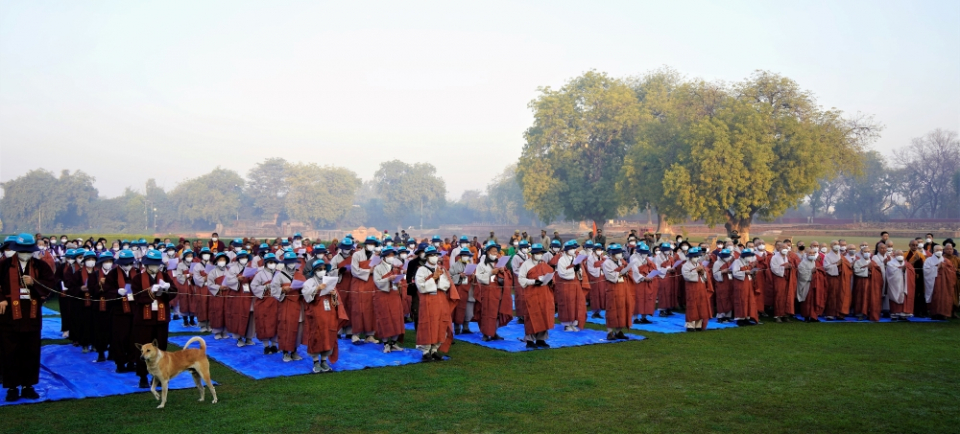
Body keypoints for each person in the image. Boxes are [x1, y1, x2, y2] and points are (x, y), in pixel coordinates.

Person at [0, 234, 54, 402]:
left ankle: (28, 385)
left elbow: (49, 284)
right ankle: (12, 387)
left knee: (30, 351)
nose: (25, 253)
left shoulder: (40, 265)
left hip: (31, 314)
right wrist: (1, 298)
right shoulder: (4, 264)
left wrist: (34, 282)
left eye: (28, 250)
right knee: (10, 351)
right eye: (22, 250)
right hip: (10, 314)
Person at [132, 249, 177, 388]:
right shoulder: (138, 279)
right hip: (144, 319)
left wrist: (166, 289)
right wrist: (151, 292)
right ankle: (142, 376)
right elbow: (137, 297)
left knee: (161, 347)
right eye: (151, 264)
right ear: (146, 265)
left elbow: (174, 291)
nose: (154, 267)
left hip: (161, 318)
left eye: (156, 264)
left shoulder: (164, 276)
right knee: (144, 348)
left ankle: (158, 376)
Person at [302, 258, 348, 373]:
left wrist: (333, 294)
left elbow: (336, 301)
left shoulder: (329, 281)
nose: (322, 271)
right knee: (316, 336)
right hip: (316, 314)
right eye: (319, 269)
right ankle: (315, 362)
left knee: (328, 335)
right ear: (314, 271)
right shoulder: (309, 282)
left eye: (323, 269)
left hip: (329, 314)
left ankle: (324, 360)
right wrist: (317, 288)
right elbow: (306, 295)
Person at [415, 246, 459, 361]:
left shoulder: (442, 269)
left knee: (440, 323)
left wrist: (438, 279)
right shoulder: (421, 270)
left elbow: (446, 284)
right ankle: (426, 351)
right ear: (427, 256)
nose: (434, 257)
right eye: (432, 255)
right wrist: (433, 278)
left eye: (436, 255)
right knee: (428, 324)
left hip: (440, 299)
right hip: (428, 300)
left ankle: (434, 349)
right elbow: (421, 286)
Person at [102, 249, 138, 374]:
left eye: (130, 263)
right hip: (119, 310)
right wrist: (117, 292)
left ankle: (132, 361)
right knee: (120, 337)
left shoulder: (136, 273)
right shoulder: (113, 274)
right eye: (125, 263)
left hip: (134, 309)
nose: (128, 266)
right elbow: (107, 291)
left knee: (133, 336)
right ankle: (120, 363)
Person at [517, 244, 555, 348]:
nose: (539, 255)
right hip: (532, 294)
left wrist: (550, 281)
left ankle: (541, 339)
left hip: (544, 294)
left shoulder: (543, 264)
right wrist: (534, 281)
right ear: (533, 254)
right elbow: (521, 279)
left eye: (541, 253)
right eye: (537, 253)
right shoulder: (526, 264)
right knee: (532, 316)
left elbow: (551, 275)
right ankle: (529, 341)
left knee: (544, 315)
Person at [271, 251, 306, 362]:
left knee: (297, 329)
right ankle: (285, 352)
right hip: (286, 304)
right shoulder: (279, 275)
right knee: (286, 328)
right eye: (289, 262)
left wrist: (303, 289)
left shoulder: (299, 275)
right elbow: (273, 290)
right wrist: (282, 289)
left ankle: (294, 351)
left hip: (298, 305)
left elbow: (306, 288)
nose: (292, 264)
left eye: (293, 262)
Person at [475, 242, 510, 341]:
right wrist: (490, 273)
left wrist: (503, 272)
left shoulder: (499, 263)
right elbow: (479, 278)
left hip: (498, 292)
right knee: (486, 313)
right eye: (493, 251)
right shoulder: (481, 264)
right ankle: (486, 334)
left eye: (496, 251)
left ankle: (494, 332)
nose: (496, 253)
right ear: (488, 251)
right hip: (487, 292)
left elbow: (507, 275)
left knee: (497, 313)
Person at [372, 247, 405, 352]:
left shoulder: (394, 267)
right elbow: (377, 282)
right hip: (383, 296)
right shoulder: (378, 268)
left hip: (394, 295)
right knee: (385, 319)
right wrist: (388, 279)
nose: (391, 257)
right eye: (389, 255)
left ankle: (393, 343)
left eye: (392, 255)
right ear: (384, 256)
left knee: (396, 319)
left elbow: (399, 278)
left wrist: (398, 282)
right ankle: (386, 343)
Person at [348, 236, 381, 344]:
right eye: (370, 244)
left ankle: (369, 335)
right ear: (365, 245)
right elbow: (354, 270)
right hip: (358, 285)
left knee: (371, 309)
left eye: (373, 245)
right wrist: (368, 271)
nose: (372, 246)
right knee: (357, 310)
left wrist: (375, 271)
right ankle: (355, 335)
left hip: (371, 285)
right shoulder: (356, 255)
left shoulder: (375, 257)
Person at [556, 240, 589, 331]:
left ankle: (574, 322)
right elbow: (562, 273)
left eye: (574, 248)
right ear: (566, 250)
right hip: (566, 285)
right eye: (571, 248)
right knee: (567, 303)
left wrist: (579, 270)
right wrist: (573, 270)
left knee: (576, 302)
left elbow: (580, 272)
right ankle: (567, 324)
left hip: (575, 284)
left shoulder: (575, 259)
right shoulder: (561, 260)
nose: (573, 250)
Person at [601, 244, 633, 341]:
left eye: (620, 252)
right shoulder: (607, 263)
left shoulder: (620, 261)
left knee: (622, 308)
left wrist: (625, 271)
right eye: (617, 253)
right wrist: (620, 273)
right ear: (611, 254)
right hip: (613, 288)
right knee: (612, 310)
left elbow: (625, 271)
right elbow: (610, 275)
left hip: (622, 287)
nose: (619, 255)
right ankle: (610, 332)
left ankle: (619, 331)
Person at [251, 253, 280, 354]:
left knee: (275, 323)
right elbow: (253, 286)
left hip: (276, 302)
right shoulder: (259, 274)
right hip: (264, 302)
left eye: (274, 262)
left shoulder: (279, 273)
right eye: (270, 262)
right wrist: (264, 287)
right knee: (264, 323)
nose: (272, 264)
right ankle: (266, 345)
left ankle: (274, 344)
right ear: (266, 263)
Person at [226, 250, 256, 347]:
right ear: (238, 259)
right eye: (242, 257)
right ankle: (238, 338)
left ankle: (249, 337)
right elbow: (228, 281)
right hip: (237, 295)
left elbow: (256, 281)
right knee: (237, 316)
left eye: (245, 257)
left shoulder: (250, 268)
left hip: (248, 294)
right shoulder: (233, 269)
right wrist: (237, 279)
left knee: (250, 316)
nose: (244, 259)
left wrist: (252, 278)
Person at [680, 247, 713, 331]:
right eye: (694, 257)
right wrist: (696, 272)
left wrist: (703, 273)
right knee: (692, 306)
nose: (696, 258)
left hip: (701, 287)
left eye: (697, 256)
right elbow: (687, 276)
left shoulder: (699, 264)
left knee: (701, 306)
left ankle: (698, 324)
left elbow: (705, 278)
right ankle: (690, 325)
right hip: (691, 288)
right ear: (690, 257)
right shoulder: (685, 266)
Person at [329, 238, 356, 338]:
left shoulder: (354, 257)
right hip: (340, 284)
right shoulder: (335, 258)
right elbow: (330, 272)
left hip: (351, 284)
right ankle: (338, 330)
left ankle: (350, 330)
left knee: (350, 307)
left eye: (348, 248)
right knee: (339, 307)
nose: (347, 250)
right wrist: (339, 270)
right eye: (345, 248)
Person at [923, 245, 956, 320]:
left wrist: (944, 267)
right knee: (935, 296)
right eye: (937, 250)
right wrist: (936, 268)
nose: (939, 251)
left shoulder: (946, 261)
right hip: (934, 282)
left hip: (945, 282)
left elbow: (952, 271)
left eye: (940, 250)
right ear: (933, 251)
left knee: (944, 297)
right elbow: (926, 271)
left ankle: (943, 314)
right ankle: (934, 313)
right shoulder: (929, 260)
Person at [448, 248, 476, 335]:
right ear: (460, 256)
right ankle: (457, 328)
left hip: (469, 290)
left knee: (469, 309)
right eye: (464, 255)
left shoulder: (471, 265)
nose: (466, 257)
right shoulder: (455, 265)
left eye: (467, 255)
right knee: (458, 310)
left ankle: (466, 327)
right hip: (459, 290)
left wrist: (474, 276)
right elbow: (450, 277)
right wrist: (459, 276)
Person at [797, 244, 827, 322]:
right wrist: (811, 272)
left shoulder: (816, 263)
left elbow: (821, 271)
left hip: (816, 285)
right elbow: (801, 274)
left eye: (813, 253)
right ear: (806, 254)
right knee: (807, 301)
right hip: (807, 284)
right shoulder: (802, 263)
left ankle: (814, 317)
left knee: (815, 300)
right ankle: (806, 316)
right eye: (810, 253)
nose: (812, 255)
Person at [853, 245, 883, 321]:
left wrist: (872, 271)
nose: (867, 253)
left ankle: (870, 312)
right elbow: (856, 271)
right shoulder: (858, 262)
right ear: (862, 253)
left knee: (871, 297)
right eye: (865, 252)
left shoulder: (873, 262)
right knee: (861, 297)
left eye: (868, 252)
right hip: (861, 282)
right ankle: (860, 313)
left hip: (871, 282)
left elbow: (878, 272)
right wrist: (867, 269)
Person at [629, 242, 657, 325]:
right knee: (637, 299)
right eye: (643, 253)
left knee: (646, 299)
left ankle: (644, 317)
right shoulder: (634, 259)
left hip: (647, 281)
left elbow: (652, 267)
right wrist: (643, 278)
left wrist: (651, 275)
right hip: (639, 282)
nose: (645, 255)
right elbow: (634, 271)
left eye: (646, 253)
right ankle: (635, 317)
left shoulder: (647, 259)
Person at [205, 253, 230, 339]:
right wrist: (219, 287)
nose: (222, 261)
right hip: (217, 295)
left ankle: (225, 331)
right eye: (220, 260)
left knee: (226, 312)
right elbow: (209, 284)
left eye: (223, 260)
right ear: (216, 261)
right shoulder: (212, 272)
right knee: (217, 312)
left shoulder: (229, 271)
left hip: (227, 295)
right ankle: (217, 332)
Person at [730, 248, 759, 326]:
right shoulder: (737, 262)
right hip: (740, 284)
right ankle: (740, 318)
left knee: (747, 300)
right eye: (748, 256)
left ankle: (747, 317)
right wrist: (745, 272)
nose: (749, 257)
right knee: (740, 300)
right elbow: (735, 273)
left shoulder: (746, 262)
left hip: (747, 284)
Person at [769, 242, 796, 322]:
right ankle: (777, 315)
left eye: (786, 248)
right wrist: (784, 267)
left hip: (787, 279)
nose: (785, 249)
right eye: (783, 247)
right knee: (779, 296)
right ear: (779, 248)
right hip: (779, 278)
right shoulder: (775, 257)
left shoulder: (787, 257)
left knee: (787, 296)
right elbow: (774, 268)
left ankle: (785, 314)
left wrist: (790, 267)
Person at [886, 249, 915, 321]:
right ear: (894, 255)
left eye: (901, 255)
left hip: (905, 284)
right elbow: (890, 274)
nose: (900, 256)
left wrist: (906, 270)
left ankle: (904, 315)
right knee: (894, 297)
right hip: (895, 284)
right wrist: (901, 270)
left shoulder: (907, 264)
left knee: (904, 297)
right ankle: (894, 315)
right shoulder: (890, 263)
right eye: (898, 254)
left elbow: (912, 272)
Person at [654, 243, 678, 316]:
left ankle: (668, 309)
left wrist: (673, 269)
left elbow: (672, 265)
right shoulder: (657, 258)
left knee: (669, 293)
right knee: (663, 293)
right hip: (662, 277)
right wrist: (666, 270)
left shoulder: (669, 257)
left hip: (669, 277)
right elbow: (656, 268)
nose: (667, 251)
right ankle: (661, 310)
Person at [905, 240, 928, 317]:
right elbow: (905, 266)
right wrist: (914, 260)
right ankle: (910, 310)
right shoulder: (905, 255)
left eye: (916, 245)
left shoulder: (921, 255)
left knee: (920, 293)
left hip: (919, 277)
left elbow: (924, 266)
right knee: (910, 293)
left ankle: (919, 311)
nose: (914, 247)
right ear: (909, 245)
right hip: (909, 277)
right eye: (913, 245)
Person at [712, 249, 735, 323]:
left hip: (729, 282)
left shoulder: (729, 262)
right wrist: (722, 271)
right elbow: (715, 274)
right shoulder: (717, 263)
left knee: (729, 298)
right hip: (721, 283)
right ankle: (721, 316)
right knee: (722, 299)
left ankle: (728, 316)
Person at [511, 240, 532, 324]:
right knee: (520, 297)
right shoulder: (516, 257)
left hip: (527, 280)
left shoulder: (528, 256)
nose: (526, 249)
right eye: (524, 247)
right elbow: (514, 269)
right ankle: (520, 316)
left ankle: (526, 314)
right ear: (521, 248)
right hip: (519, 280)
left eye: (527, 247)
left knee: (527, 297)